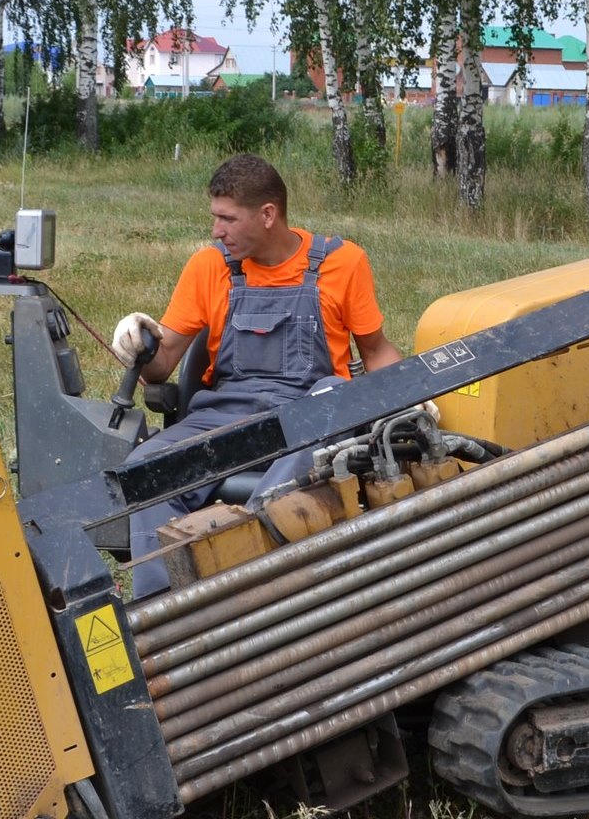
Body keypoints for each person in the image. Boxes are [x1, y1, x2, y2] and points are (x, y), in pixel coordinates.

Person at [113, 154, 402, 594]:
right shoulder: (209, 267)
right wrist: (139, 340)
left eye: (227, 219)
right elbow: (161, 364)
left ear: (268, 215)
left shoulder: (342, 263)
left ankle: (247, 544)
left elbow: (377, 351)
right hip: (225, 416)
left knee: (335, 391)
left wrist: (412, 393)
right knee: (144, 469)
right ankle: (160, 612)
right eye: (215, 218)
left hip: (306, 416)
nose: (216, 231)